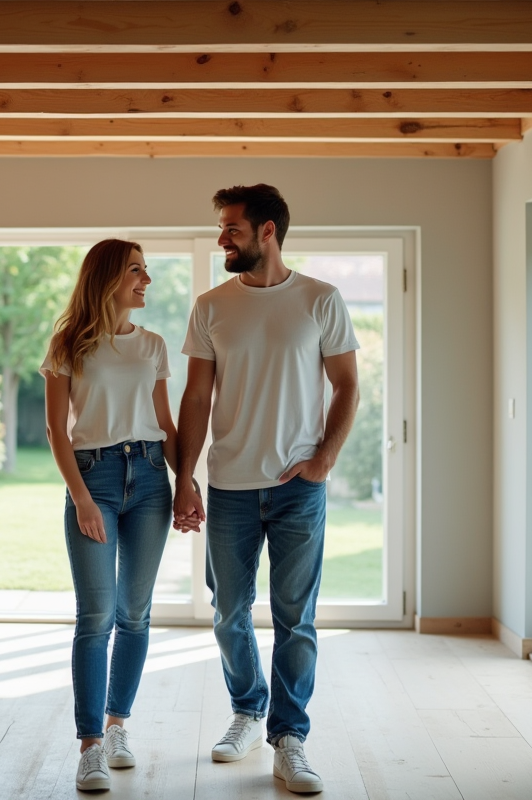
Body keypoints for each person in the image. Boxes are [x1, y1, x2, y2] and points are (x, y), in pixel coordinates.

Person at [172, 185, 360, 794]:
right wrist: (185, 478)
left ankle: (290, 737)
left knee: (295, 618)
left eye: (232, 228)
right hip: (228, 485)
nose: (223, 237)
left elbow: (348, 385)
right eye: (222, 228)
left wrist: (323, 460)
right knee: (228, 610)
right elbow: (196, 397)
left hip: (297, 489)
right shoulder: (210, 306)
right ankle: (248, 712)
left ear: (268, 231)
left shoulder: (320, 300)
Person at [41, 239, 190, 792]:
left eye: (147, 271)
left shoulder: (152, 345)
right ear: (107, 277)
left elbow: (165, 425)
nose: (146, 280)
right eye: (136, 271)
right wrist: (80, 496)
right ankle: (90, 746)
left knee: (135, 613)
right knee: (95, 616)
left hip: (151, 477)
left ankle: (118, 724)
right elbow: (58, 431)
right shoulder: (68, 345)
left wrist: (186, 482)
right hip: (94, 478)